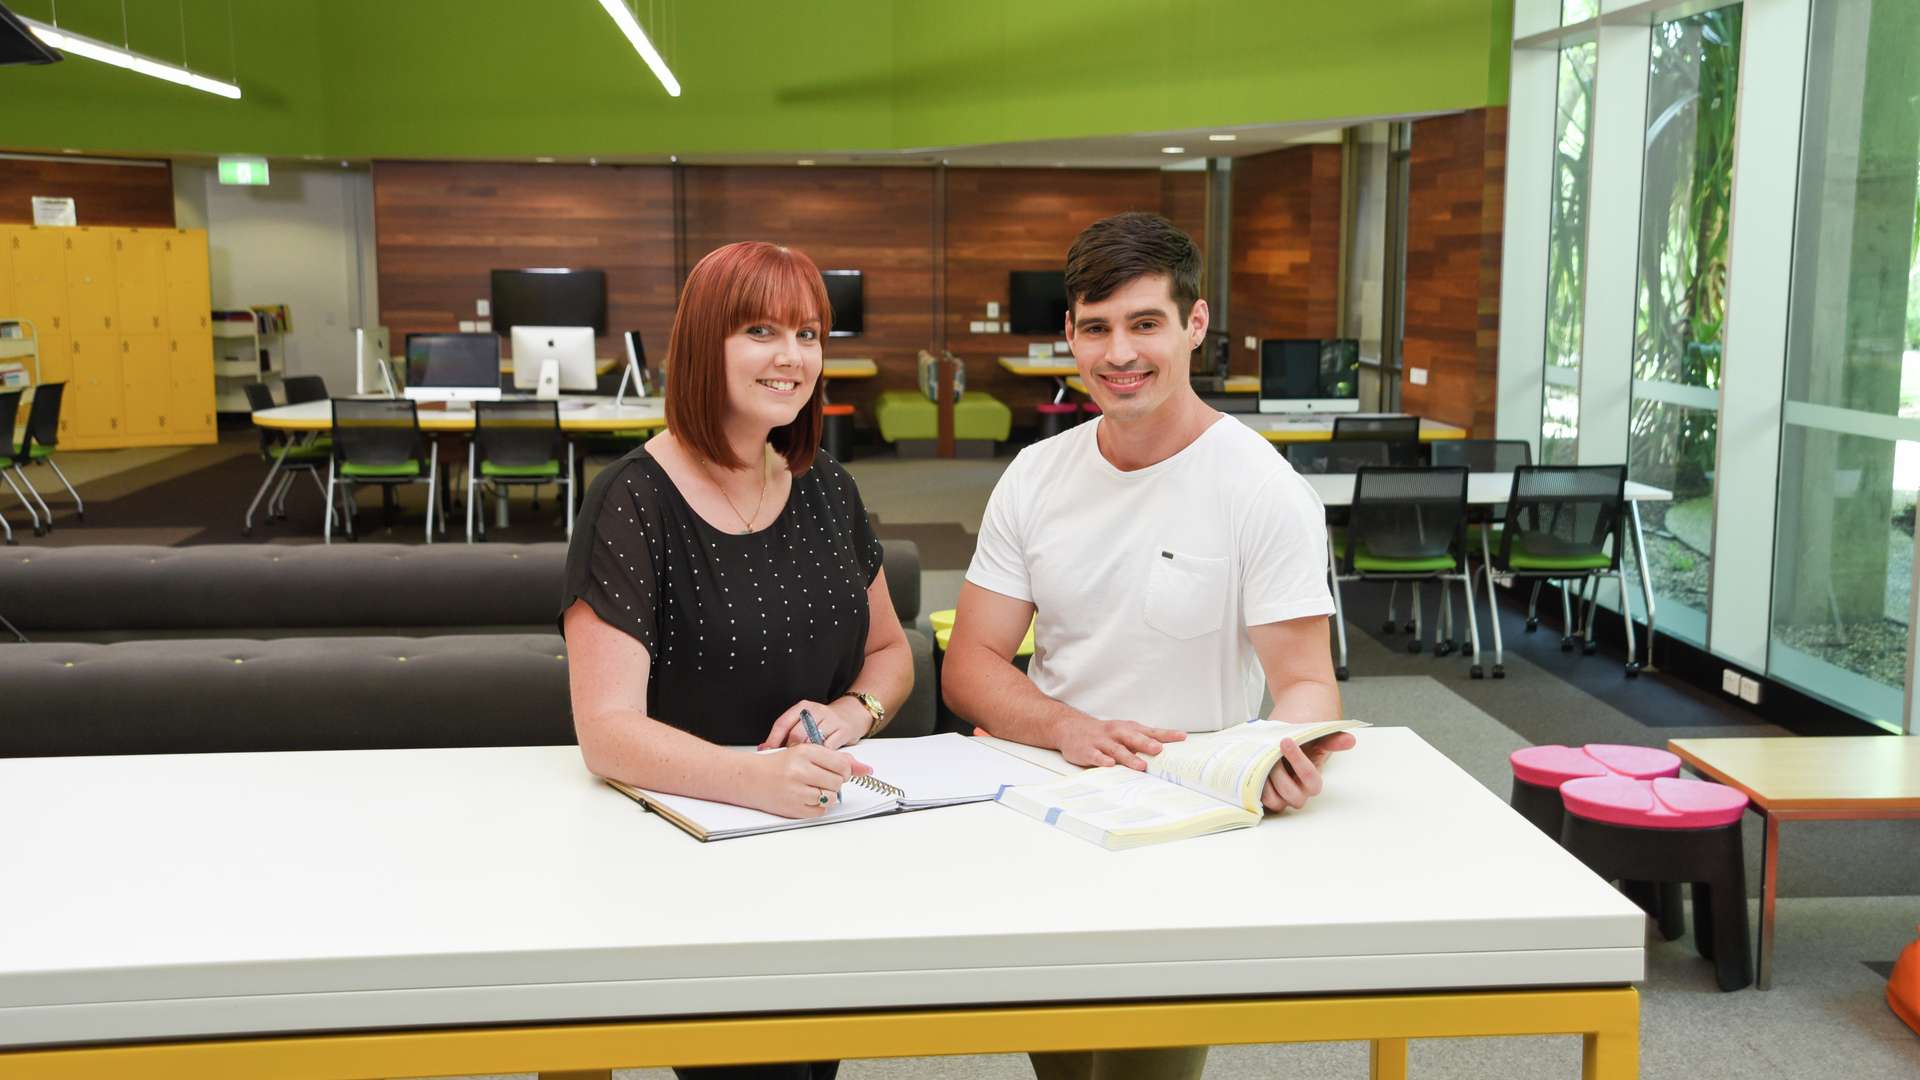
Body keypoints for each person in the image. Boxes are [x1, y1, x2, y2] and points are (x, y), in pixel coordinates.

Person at [942, 212, 1355, 1080]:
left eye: (1145, 324)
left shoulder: (1263, 490)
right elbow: (969, 665)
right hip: (1047, 807)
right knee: (1060, 1068)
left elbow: (1308, 685)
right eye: (1096, 328)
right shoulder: (1036, 476)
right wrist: (1062, 728)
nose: (1118, 353)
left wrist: (1280, 751)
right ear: (1070, 336)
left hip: (1186, 826)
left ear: (1194, 325)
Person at [561, 241, 913, 1080]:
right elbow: (606, 731)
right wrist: (747, 778)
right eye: (760, 330)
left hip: (818, 834)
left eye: (809, 333)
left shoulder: (828, 487)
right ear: (702, 346)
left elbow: (891, 651)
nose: (792, 356)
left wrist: (852, 712)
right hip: (696, 852)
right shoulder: (631, 501)